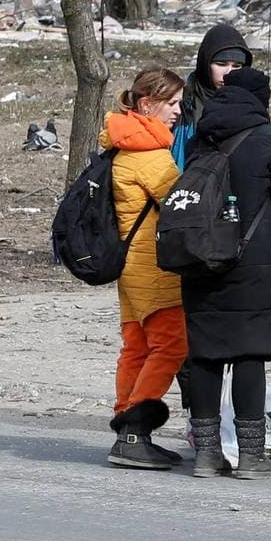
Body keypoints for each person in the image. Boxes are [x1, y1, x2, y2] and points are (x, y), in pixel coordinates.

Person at [178, 66, 271, 480]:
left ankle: (207, 455)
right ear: (261, 99)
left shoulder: (201, 136)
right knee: (249, 353)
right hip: (255, 264)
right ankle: (251, 455)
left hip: (201, 260)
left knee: (205, 353)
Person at [103, 67, 189, 470]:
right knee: (171, 345)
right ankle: (135, 430)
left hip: (130, 267)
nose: (178, 111)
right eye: (171, 103)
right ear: (146, 104)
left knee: (136, 347)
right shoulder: (149, 154)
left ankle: (127, 429)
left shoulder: (122, 144)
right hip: (153, 268)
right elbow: (181, 204)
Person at [173, 23, 252, 168]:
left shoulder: (251, 104)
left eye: (236, 66)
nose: (228, 73)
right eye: (221, 64)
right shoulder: (182, 99)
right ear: (205, 63)